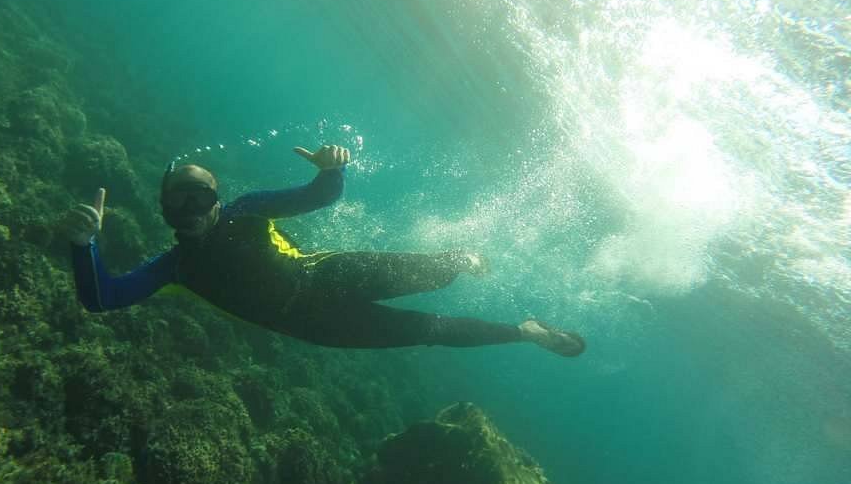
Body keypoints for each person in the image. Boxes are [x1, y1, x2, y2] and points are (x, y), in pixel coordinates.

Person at [62, 145, 584, 355]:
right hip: (317, 326)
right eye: (178, 204)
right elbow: (102, 299)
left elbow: (319, 196)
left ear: (216, 198)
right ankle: (526, 333)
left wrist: (331, 168)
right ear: (164, 211)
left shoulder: (249, 209)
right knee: (429, 331)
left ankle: (460, 258)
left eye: (199, 198)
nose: (191, 211)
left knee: (432, 271)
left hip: (331, 275)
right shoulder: (175, 267)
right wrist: (85, 246)